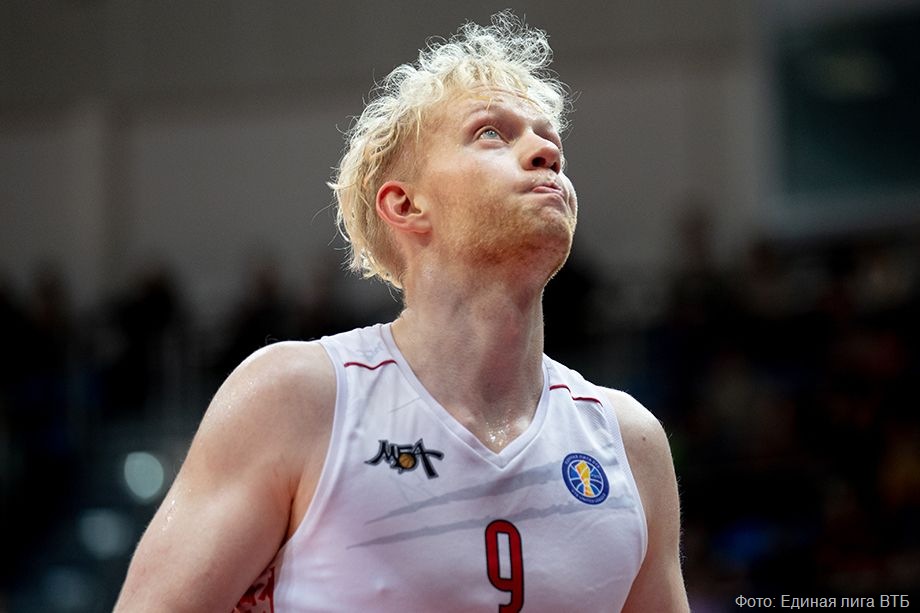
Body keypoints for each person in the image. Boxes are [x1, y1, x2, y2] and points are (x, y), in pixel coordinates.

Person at [114, 12, 689, 612]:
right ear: (406, 204)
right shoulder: (296, 399)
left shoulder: (630, 443)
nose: (545, 151)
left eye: (552, 144)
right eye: (492, 133)